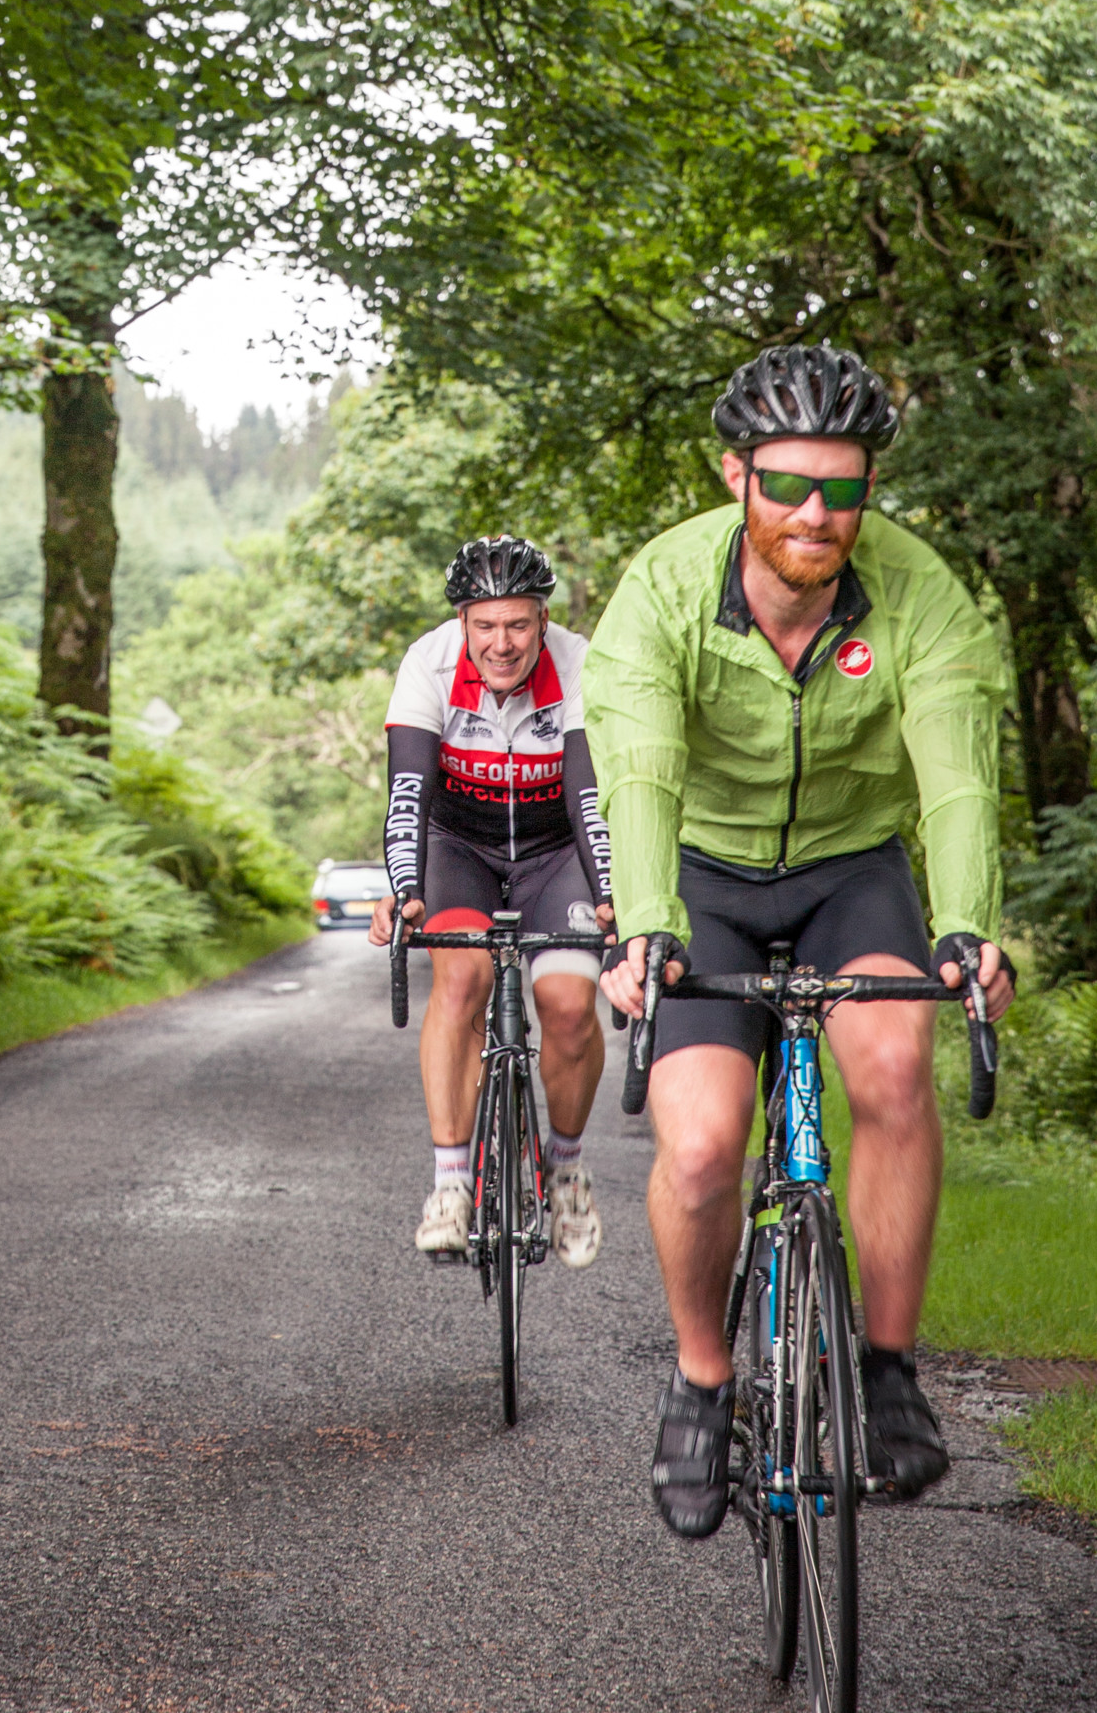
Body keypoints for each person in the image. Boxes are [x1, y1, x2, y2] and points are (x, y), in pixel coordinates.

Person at [584, 342, 1015, 1541]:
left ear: (869, 488)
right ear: (738, 478)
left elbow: (957, 777)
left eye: (843, 486)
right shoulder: (663, 589)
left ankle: (886, 1373)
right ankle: (702, 1382)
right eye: (788, 485)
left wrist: (972, 925)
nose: (816, 514)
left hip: (850, 873)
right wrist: (648, 928)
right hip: (704, 880)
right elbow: (642, 773)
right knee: (709, 1143)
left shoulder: (919, 591)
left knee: (887, 1067)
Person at [367, 534, 614, 1265]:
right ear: (463, 622)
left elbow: (589, 794)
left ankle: (565, 1168)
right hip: (460, 850)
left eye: (517, 624)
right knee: (463, 978)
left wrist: (609, 895)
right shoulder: (431, 663)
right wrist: (405, 889)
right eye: (485, 625)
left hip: (555, 851)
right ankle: (450, 1184)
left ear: (543, 620)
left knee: (570, 1005)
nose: (500, 643)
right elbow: (408, 788)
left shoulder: (579, 663)